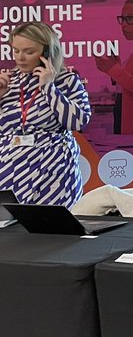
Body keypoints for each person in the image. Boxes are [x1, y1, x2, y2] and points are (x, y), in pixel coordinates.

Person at [0, 22, 92, 206]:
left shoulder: (67, 80)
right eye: (16, 50)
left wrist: (49, 88)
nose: (20, 58)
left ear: (47, 52)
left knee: (54, 229)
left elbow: (79, 122)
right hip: (11, 168)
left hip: (53, 170)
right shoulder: (7, 80)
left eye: (29, 51)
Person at [95, 0, 133, 136]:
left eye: (130, 18)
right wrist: (114, 70)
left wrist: (114, 70)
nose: (124, 24)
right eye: (123, 19)